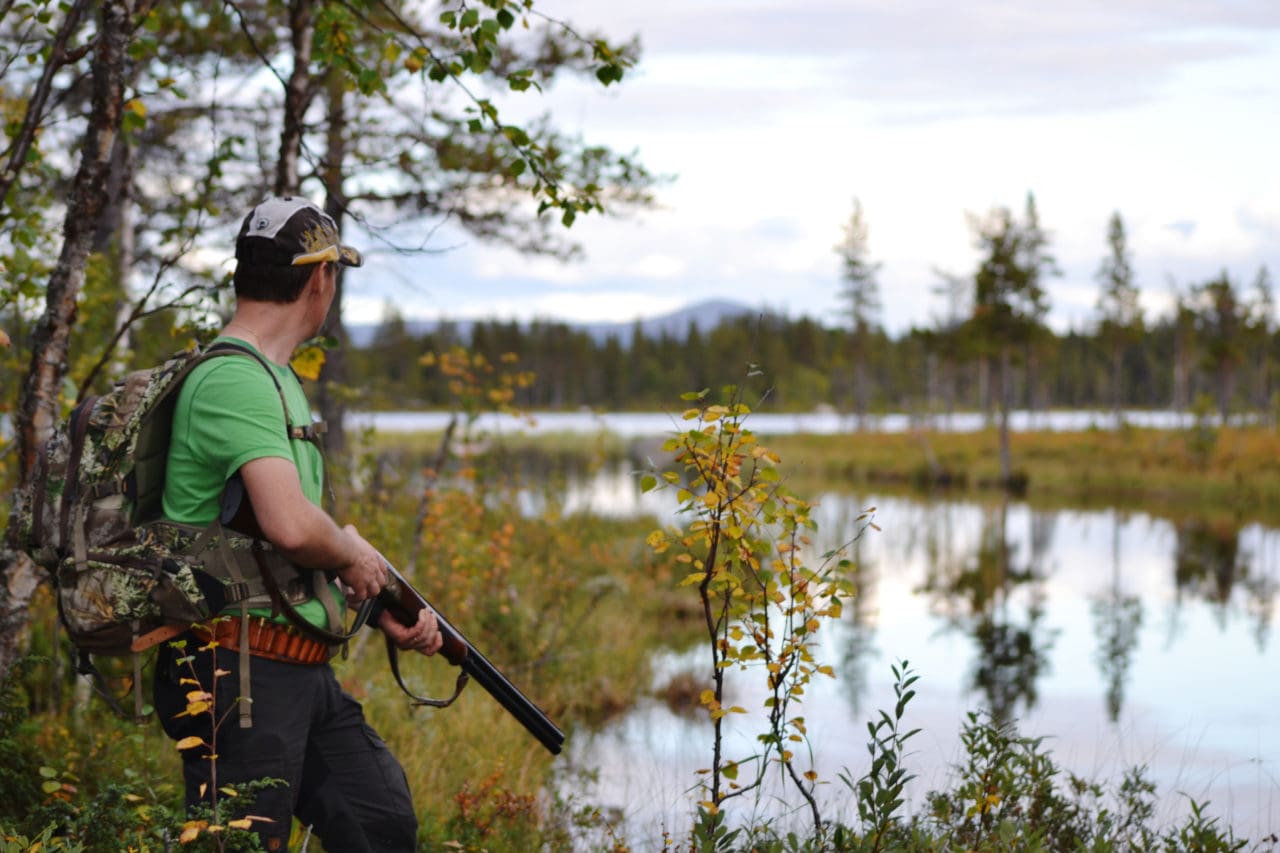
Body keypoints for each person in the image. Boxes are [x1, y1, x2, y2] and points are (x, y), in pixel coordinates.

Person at [152, 196, 442, 852]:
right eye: (334, 276)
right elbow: (288, 523)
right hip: (236, 674)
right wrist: (350, 556)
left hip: (296, 668)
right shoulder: (236, 379)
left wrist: (372, 601)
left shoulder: (274, 376)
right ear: (320, 279)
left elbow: (270, 539)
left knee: (379, 824)